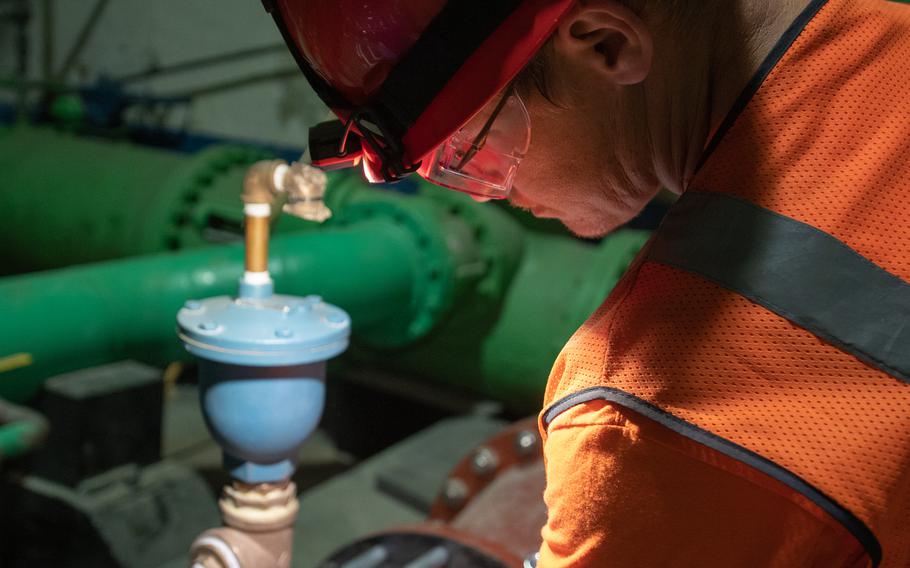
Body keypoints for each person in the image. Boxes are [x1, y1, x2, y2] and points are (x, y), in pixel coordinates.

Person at [265, 0, 910, 565]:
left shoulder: (647, 429)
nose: (487, 196)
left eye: (466, 151)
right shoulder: (886, 29)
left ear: (607, 44)